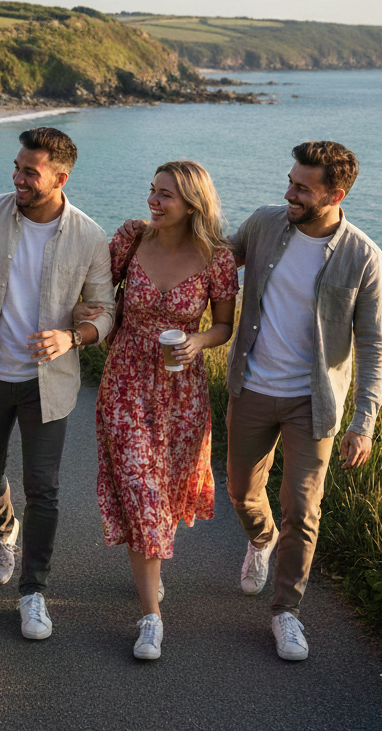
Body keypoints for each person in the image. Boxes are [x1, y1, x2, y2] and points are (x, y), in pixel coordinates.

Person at [0, 127, 115, 641]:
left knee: (45, 488)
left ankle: (33, 592)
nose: (17, 178)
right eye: (16, 168)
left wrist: (72, 336)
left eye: (29, 173)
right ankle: (3, 532)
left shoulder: (89, 236)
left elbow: (105, 313)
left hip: (48, 385)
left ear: (61, 178)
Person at [225, 141, 382, 661]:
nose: (288, 193)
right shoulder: (265, 223)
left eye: (302, 188)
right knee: (240, 491)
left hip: (312, 403)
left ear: (335, 194)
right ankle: (260, 538)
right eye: (290, 181)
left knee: (304, 508)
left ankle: (285, 612)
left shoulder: (363, 256)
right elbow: (214, 261)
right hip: (251, 385)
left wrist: (364, 420)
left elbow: (375, 344)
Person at [85, 161, 237, 661]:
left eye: (165, 195)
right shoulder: (129, 240)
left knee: (167, 490)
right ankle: (150, 616)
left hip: (182, 391)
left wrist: (198, 341)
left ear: (192, 204)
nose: (153, 201)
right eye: (152, 191)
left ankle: (151, 563)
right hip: (126, 380)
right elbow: (94, 292)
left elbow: (223, 328)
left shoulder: (217, 258)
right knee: (140, 488)